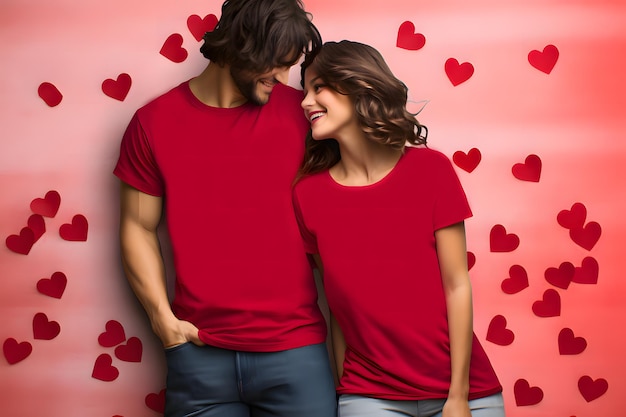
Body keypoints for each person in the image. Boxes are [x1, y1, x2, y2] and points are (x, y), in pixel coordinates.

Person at [113, 1, 336, 416]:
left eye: (290, 65)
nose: (284, 78)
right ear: (241, 45)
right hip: (198, 356)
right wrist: (164, 323)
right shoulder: (153, 122)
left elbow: (362, 188)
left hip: (296, 352)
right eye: (276, 64)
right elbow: (137, 227)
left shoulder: (306, 117)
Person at [292, 40, 505, 417]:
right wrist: (348, 389)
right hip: (368, 394)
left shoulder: (431, 170)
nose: (307, 101)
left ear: (359, 87)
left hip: (464, 393)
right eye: (305, 91)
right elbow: (338, 305)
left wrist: (457, 396)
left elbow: (457, 285)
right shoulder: (308, 196)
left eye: (319, 87)